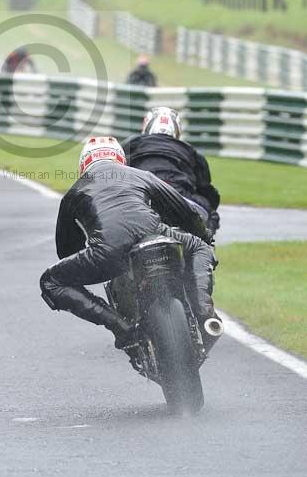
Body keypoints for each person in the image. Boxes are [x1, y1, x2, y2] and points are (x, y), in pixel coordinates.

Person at [40, 136, 218, 349]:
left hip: (108, 252)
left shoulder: (74, 192)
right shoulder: (141, 175)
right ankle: (205, 314)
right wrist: (205, 237)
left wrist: (90, 257)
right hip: (156, 232)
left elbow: (66, 251)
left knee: (51, 281)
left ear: (83, 164)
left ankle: (120, 327)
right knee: (200, 246)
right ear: (120, 160)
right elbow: (186, 213)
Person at [122, 107, 220, 238]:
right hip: (180, 198)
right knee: (211, 215)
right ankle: (204, 251)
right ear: (177, 130)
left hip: (140, 196)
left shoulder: (131, 144)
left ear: (147, 126)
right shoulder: (191, 152)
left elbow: (115, 171)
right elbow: (207, 191)